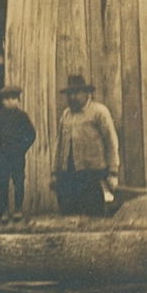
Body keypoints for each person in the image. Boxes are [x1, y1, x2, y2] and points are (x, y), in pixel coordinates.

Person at [52, 74, 120, 216]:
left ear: (86, 93)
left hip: (91, 173)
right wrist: (55, 171)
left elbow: (111, 142)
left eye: (76, 93)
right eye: (69, 94)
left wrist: (113, 172)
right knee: (68, 211)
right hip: (69, 172)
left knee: (93, 212)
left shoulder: (99, 112)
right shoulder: (66, 115)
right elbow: (59, 144)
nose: (72, 98)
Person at [0, 85, 37, 222]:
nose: (10, 101)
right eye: (7, 99)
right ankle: (4, 210)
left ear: (18, 100)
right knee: (2, 182)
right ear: (2, 101)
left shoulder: (22, 117)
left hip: (17, 155)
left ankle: (17, 210)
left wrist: (22, 148)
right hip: (2, 155)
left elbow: (31, 134)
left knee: (18, 181)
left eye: (14, 98)